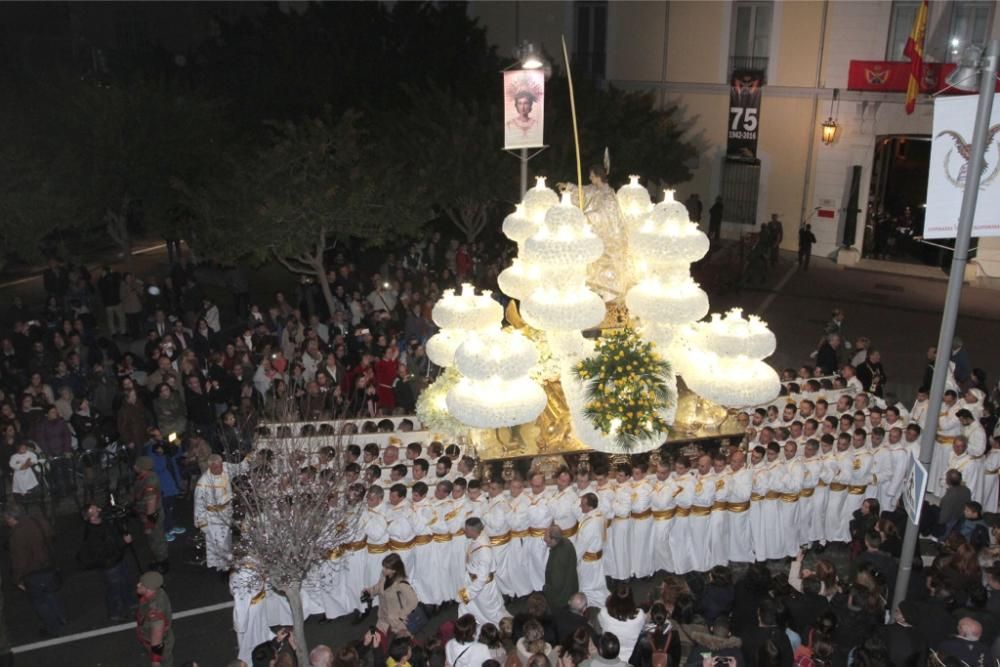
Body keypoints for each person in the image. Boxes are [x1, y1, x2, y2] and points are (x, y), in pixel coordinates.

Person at [6, 505, 65, 637]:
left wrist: (17, 579)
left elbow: (19, 561)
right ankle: (60, 618)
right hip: (48, 565)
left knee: (40, 601)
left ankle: (52, 627)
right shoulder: (38, 521)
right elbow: (51, 535)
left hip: (32, 572)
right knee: (51, 595)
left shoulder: (16, 535)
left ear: (11, 518)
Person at [78, 503, 134, 622]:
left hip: (118, 558)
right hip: (110, 565)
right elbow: (105, 551)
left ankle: (128, 604)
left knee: (124, 582)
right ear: (92, 517)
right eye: (96, 510)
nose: (100, 509)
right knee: (114, 590)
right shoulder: (92, 534)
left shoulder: (104, 522)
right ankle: (116, 613)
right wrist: (123, 542)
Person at [457, 517, 509, 627]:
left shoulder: (484, 552)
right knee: (464, 606)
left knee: (492, 615)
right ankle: (468, 630)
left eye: (466, 529)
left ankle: (503, 630)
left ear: (472, 531)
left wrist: (468, 593)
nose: (464, 531)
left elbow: (482, 579)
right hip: (471, 582)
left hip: (482, 589)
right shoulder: (479, 536)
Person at [194, 454, 237, 571]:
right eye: (217, 468)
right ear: (210, 467)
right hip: (214, 517)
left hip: (226, 512)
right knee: (218, 541)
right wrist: (202, 522)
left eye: (221, 466)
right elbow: (199, 504)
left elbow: (239, 468)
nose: (220, 470)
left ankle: (226, 560)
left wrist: (250, 458)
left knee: (226, 538)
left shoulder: (226, 469)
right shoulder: (203, 483)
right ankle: (223, 565)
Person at [363, 553, 419, 640]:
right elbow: (379, 586)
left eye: (386, 568)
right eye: (384, 567)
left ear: (394, 570)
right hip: (383, 616)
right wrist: (370, 591)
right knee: (377, 639)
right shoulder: (384, 575)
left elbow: (414, 601)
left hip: (395, 619)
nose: (383, 569)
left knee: (402, 643)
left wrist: (402, 615)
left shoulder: (401, 584)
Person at [133, 456, 170, 573]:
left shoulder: (150, 481)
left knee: (156, 539)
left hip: (153, 515)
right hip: (149, 513)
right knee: (154, 538)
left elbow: (151, 503)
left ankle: (162, 563)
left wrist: (149, 524)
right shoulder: (146, 477)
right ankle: (158, 558)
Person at [576, 492, 609, 609]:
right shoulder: (599, 514)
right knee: (597, 583)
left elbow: (582, 544)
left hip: (589, 561)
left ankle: (590, 603)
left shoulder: (591, 523)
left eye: (582, 505)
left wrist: (574, 559)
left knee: (587, 585)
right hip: (597, 557)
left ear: (590, 506)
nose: (580, 506)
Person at [597, 584, 646, 660]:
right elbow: (642, 627)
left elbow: (601, 624)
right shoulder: (640, 615)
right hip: (632, 654)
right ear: (631, 598)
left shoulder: (604, 612)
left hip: (609, 651)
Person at [136, 571, 174, 667]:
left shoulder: (155, 615)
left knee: (165, 663)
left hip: (160, 646)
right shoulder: (158, 592)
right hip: (151, 638)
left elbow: (157, 640)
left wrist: (155, 661)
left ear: (149, 589)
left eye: (142, 584)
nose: (138, 585)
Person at [543, 524, 580, 610]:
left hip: (561, 599)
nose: (544, 538)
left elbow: (557, 585)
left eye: (546, 536)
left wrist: (546, 589)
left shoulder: (557, 559)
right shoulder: (567, 542)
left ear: (553, 540)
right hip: (572, 589)